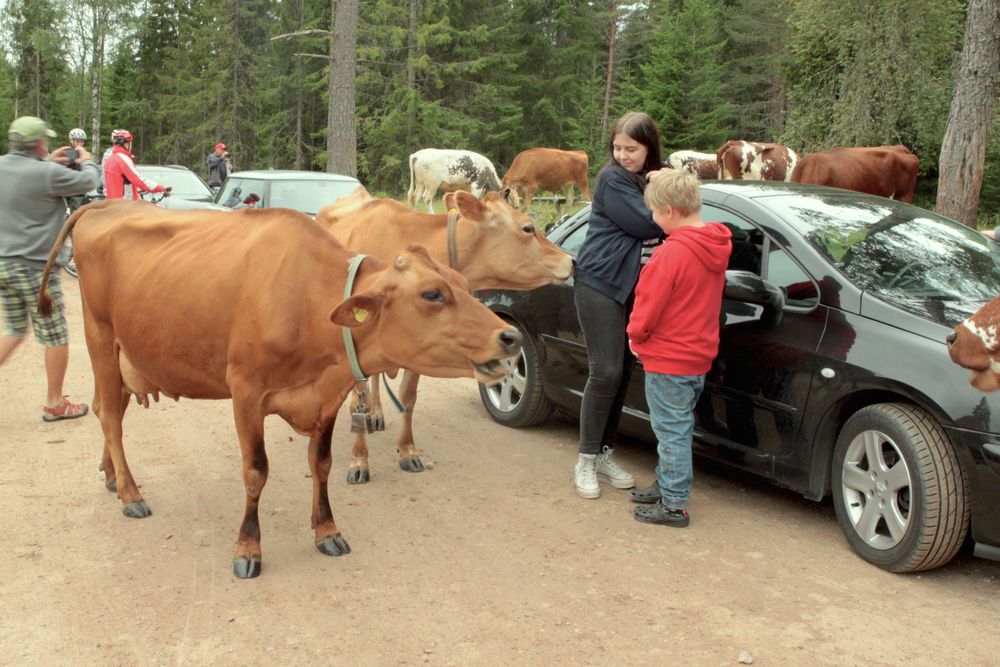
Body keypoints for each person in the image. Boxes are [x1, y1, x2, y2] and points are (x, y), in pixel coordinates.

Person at [627, 171, 732, 526]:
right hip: (697, 354)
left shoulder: (670, 254)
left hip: (668, 357)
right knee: (677, 425)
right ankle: (667, 481)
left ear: (670, 211)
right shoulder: (714, 244)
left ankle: (674, 504)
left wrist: (635, 336)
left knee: (671, 430)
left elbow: (647, 306)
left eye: (655, 213)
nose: (653, 220)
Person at [571, 111, 665, 499]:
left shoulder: (653, 177)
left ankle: (605, 452)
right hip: (600, 283)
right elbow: (648, 223)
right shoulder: (612, 179)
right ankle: (586, 460)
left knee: (624, 372)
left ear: (649, 149)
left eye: (631, 149)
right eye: (617, 148)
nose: (623, 155)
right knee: (606, 371)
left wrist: (664, 181)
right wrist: (667, 194)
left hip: (632, 290)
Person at [0, 116, 100, 421]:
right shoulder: (47, 174)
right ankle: (55, 402)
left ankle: (56, 400)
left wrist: (47, 160)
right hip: (36, 270)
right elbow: (89, 182)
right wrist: (87, 160)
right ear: (41, 143)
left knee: (15, 329)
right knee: (55, 335)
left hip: (4, 264)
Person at [102, 129, 170, 200]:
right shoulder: (122, 159)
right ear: (125, 143)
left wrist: (137, 188)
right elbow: (138, 179)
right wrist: (161, 188)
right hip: (125, 204)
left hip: (112, 202)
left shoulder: (110, 159)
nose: (131, 145)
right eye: (130, 143)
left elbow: (117, 182)